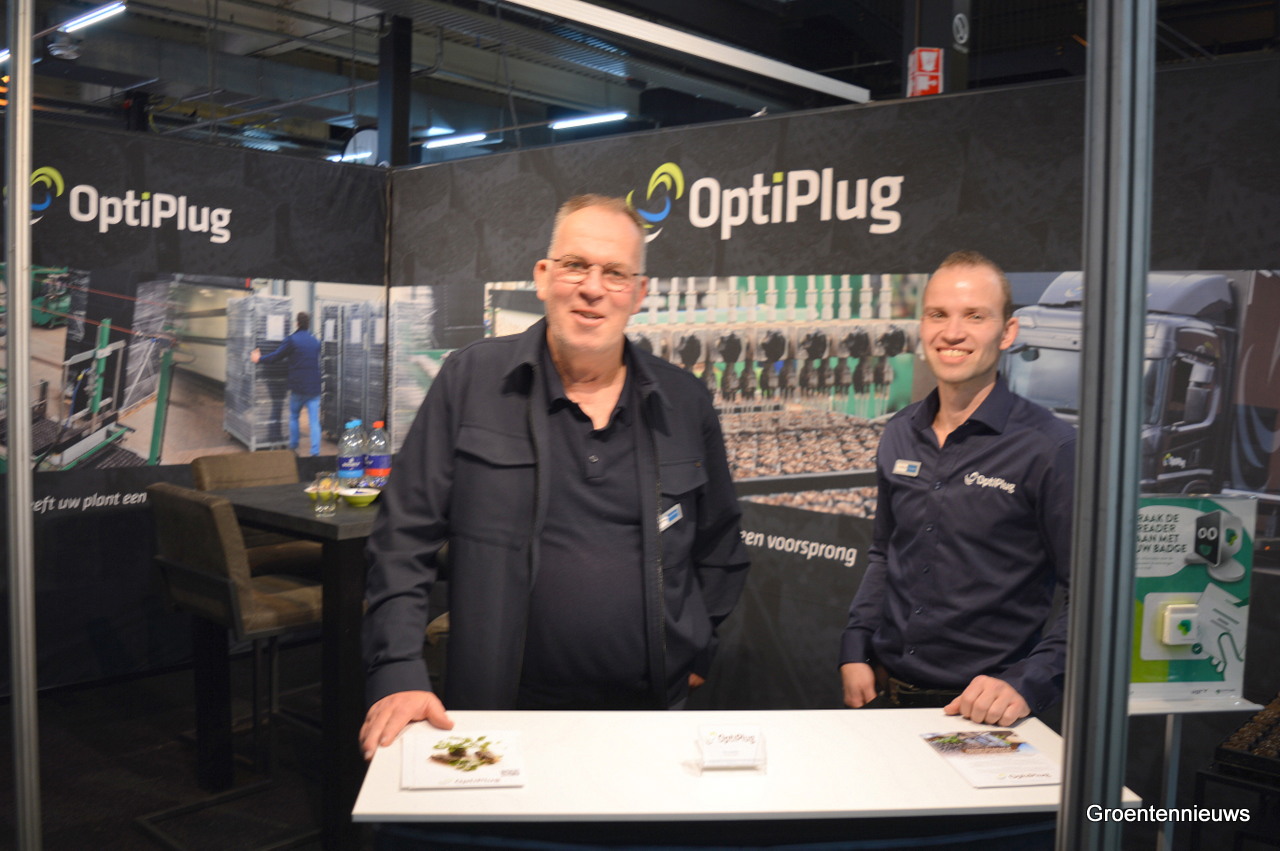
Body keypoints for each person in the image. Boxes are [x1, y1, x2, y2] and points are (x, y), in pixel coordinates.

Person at [360, 195, 750, 758]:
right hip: (496, 712)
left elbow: (720, 545)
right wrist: (398, 670)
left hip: (649, 715)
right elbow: (402, 539)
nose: (593, 288)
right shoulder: (471, 380)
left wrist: (695, 645)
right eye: (575, 265)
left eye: (615, 273)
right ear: (543, 277)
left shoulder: (683, 401)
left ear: (639, 293)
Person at [839, 250, 1075, 726]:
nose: (952, 333)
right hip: (888, 698)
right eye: (938, 315)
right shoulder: (900, 432)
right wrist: (855, 645)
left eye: (974, 316)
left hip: (988, 715)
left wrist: (1027, 681)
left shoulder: (1049, 447)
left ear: (1007, 332)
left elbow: (1091, 595)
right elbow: (885, 553)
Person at [251, 311, 322, 456]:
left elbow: (277, 356)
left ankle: (294, 446)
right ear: (308, 324)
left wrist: (259, 359)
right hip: (314, 387)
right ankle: (315, 452)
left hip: (298, 387)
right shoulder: (315, 341)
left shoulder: (292, 340)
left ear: (297, 323)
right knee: (314, 421)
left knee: (294, 416)